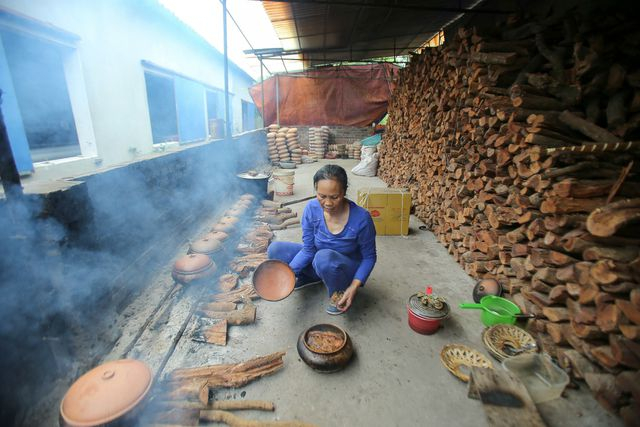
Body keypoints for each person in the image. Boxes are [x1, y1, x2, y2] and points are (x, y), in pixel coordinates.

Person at [267, 164, 377, 315]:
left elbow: (369, 258)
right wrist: (289, 274)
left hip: (345, 268)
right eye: (322, 196)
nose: (328, 203)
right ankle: (311, 277)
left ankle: (338, 292)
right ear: (315, 191)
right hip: (319, 261)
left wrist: (354, 285)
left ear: (344, 192)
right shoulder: (311, 209)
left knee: (323, 258)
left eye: (334, 197)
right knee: (275, 249)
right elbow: (308, 249)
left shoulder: (361, 219)